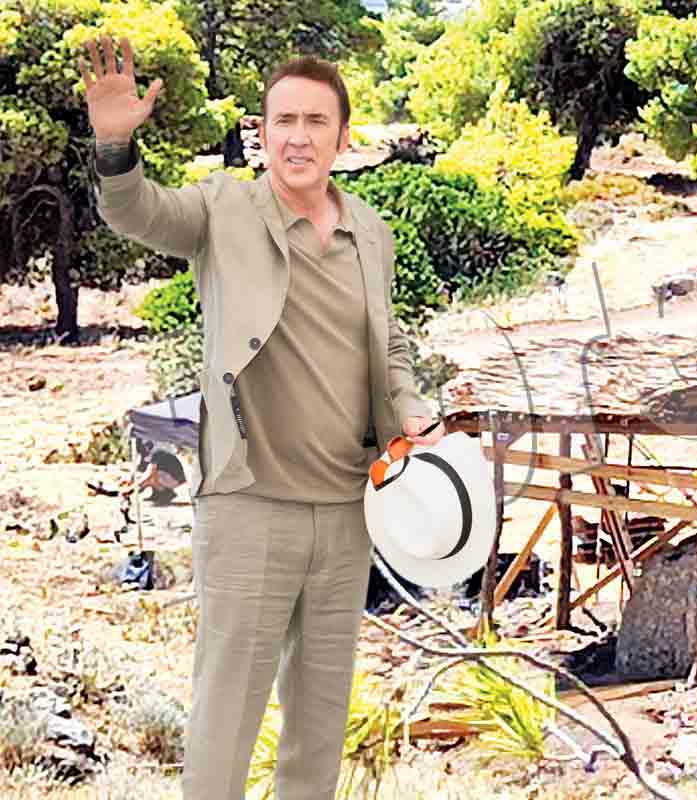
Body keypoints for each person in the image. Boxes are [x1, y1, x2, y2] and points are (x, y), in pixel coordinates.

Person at [78, 35, 446, 799]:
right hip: (250, 504)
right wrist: (115, 147)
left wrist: (413, 411)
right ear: (262, 132)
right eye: (284, 120)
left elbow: (389, 346)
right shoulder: (223, 209)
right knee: (226, 717)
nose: (298, 137)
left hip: (347, 510)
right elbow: (140, 213)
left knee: (320, 721)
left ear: (343, 137)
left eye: (316, 121)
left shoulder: (370, 231)